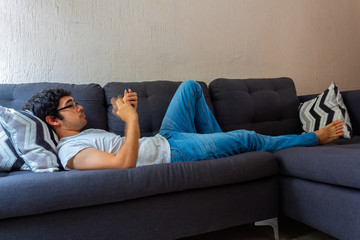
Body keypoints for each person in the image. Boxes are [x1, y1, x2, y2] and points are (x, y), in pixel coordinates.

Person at [23, 80, 344, 170]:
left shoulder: (85, 133)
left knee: (191, 86)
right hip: (172, 152)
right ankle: (312, 138)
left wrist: (130, 115)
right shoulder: (71, 151)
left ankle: (227, 146)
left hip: (165, 137)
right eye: (70, 106)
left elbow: (124, 145)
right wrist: (132, 119)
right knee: (248, 136)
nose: (80, 107)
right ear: (53, 120)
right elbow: (125, 162)